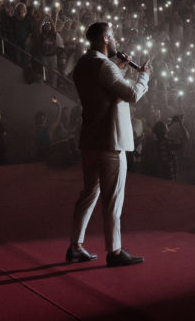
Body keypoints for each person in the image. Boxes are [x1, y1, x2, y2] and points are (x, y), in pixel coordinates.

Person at [67, 22, 151, 267]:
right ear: (105, 37)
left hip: (90, 140)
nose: (115, 39)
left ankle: (75, 247)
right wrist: (143, 75)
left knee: (88, 195)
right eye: (113, 34)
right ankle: (114, 251)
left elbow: (104, 91)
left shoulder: (83, 65)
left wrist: (119, 70)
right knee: (112, 199)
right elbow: (132, 95)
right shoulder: (105, 66)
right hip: (110, 141)